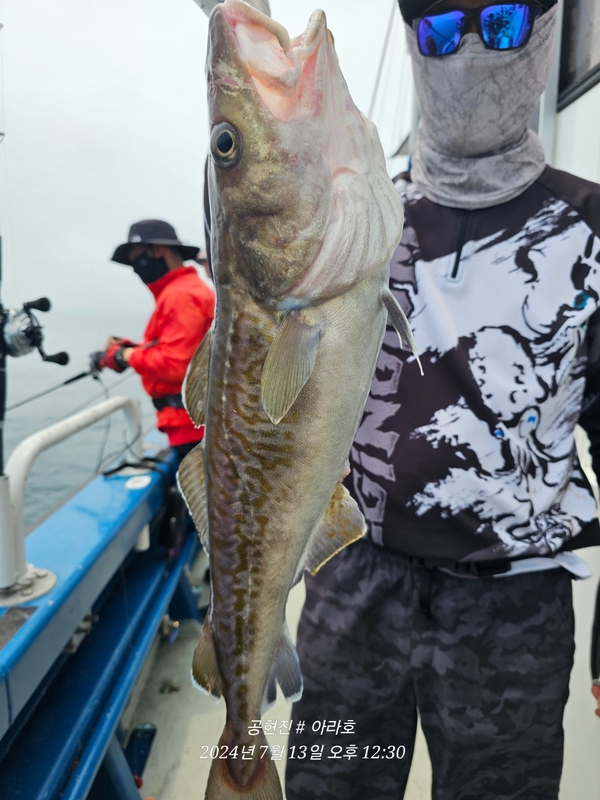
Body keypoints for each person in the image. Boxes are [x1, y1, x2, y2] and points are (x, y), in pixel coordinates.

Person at [285, 1, 600, 798]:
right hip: (352, 582)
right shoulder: (357, 221)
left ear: (544, 35)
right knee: (330, 785)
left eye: (502, 22)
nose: (468, 49)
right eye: (437, 30)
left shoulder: (593, 225)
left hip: (515, 606)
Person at [94, 219, 215, 459]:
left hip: (193, 428)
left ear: (157, 250)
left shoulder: (181, 295)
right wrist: (130, 349)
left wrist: (124, 355)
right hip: (194, 425)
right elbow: (181, 348)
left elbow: (175, 365)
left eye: (135, 257)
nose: (135, 267)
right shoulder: (180, 290)